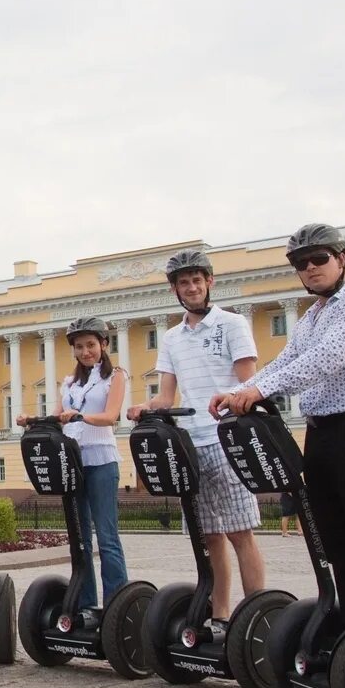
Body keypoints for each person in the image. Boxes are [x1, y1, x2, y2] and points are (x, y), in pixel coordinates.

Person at [211, 222, 345, 626]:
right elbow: (287, 362)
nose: (310, 268)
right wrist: (238, 390)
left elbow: (326, 358)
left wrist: (259, 391)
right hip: (321, 434)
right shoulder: (309, 319)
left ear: (341, 259)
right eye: (301, 263)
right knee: (336, 543)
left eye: (319, 259)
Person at [128, 249, 266, 631]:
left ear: (209, 283)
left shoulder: (232, 325)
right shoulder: (172, 338)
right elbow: (166, 397)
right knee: (209, 536)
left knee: (241, 531)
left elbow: (249, 381)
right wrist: (145, 407)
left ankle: (256, 615)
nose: (191, 287)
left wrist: (232, 400)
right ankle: (220, 615)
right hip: (192, 444)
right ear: (175, 289)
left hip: (228, 439)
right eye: (183, 282)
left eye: (196, 280)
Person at [21, 317, 128, 611]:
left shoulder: (115, 376)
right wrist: (32, 421)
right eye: (79, 346)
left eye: (91, 344)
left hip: (101, 460)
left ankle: (117, 605)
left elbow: (111, 416)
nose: (86, 351)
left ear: (104, 344)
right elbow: (59, 415)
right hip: (73, 461)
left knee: (106, 536)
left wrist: (79, 417)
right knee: (79, 537)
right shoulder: (69, 382)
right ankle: (86, 604)